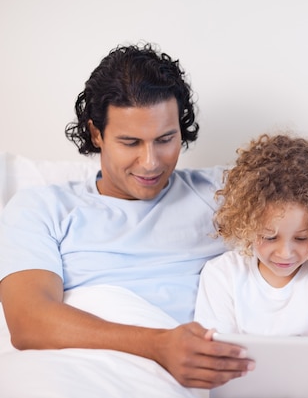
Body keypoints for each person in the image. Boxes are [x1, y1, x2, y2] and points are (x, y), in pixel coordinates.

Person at [0, 43, 253, 389]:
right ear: (96, 133)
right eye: (131, 143)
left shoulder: (226, 194)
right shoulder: (42, 207)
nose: (151, 162)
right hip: (66, 370)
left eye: (165, 139)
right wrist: (158, 345)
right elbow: (29, 322)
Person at [195, 134, 308, 338]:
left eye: (302, 238)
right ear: (245, 225)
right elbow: (218, 354)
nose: (285, 253)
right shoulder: (221, 275)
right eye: (269, 237)